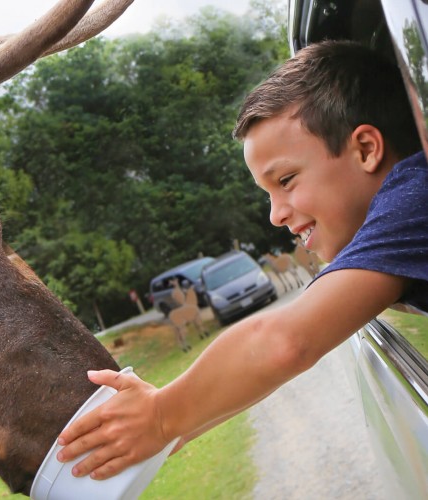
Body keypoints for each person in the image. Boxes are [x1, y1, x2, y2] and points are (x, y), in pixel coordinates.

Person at [55, 40, 428, 480]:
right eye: (268, 194)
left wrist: (162, 417)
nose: (275, 214)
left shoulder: (414, 198)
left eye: (286, 180)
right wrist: (170, 431)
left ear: (366, 149)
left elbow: (284, 342)